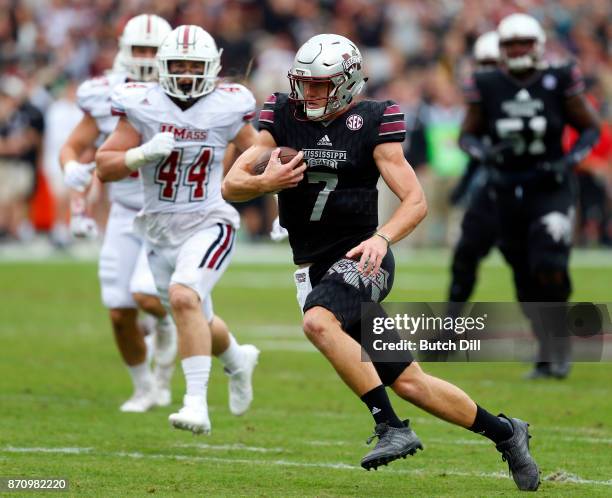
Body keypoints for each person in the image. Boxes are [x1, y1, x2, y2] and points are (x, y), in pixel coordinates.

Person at [222, 33, 540, 491]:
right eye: (304, 83)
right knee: (410, 381)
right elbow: (232, 186)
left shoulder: (374, 120)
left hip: (362, 255)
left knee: (317, 322)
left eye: (319, 85)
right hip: (312, 266)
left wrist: (381, 238)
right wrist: (264, 181)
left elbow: (415, 201)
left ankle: (391, 426)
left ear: (348, 82)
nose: (308, 94)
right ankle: (508, 433)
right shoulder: (281, 114)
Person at [96, 25, 260, 435]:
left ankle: (195, 404)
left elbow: (259, 150)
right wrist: (140, 153)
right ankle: (238, 360)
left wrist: (269, 190)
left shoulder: (227, 105)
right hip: (158, 228)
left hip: (209, 220)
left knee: (184, 296)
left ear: (211, 67)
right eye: (179, 65)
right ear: (163, 67)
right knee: (196, 317)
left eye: (194, 65)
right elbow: (105, 165)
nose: (186, 73)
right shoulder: (143, 103)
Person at [459, 14, 601, 380]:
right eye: (511, 44)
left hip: (549, 187)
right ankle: (545, 350)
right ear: (501, 49)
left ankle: (560, 346)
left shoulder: (559, 78)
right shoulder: (487, 82)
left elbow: (590, 129)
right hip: (507, 189)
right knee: (523, 276)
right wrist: (484, 153)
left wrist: (568, 161)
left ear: (537, 44)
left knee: (549, 263)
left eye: (524, 42)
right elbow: (467, 136)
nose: (518, 50)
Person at [59, 14, 177, 412]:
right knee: (117, 310)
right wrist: (70, 168)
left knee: (146, 296)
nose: (145, 59)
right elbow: (74, 145)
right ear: (125, 50)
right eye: (139, 50)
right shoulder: (103, 91)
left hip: (169, 210)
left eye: (152, 51)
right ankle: (144, 386)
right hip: (125, 211)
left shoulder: (184, 90)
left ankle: (166, 325)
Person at [447, 31, 500, 307]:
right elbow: (470, 143)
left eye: (492, 64)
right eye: (483, 64)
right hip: (492, 191)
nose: (486, 71)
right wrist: (465, 185)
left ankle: (549, 338)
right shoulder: (480, 100)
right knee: (464, 258)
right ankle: (450, 326)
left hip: (529, 192)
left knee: (536, 267)